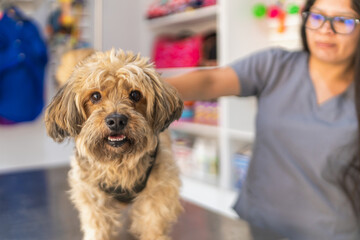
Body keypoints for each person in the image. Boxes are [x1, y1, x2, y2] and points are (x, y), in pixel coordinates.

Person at [165, 0, 360, 239]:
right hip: (256, 225)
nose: (325, 29)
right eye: (317, 17)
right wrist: (143, 89)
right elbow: (211, 81)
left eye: (343, 20)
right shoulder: (274, 65)